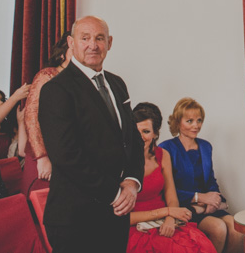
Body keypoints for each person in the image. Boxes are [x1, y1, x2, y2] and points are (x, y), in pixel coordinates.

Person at [39, 16, 144, 253]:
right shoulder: (56, 89)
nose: (92, 45)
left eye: (99, 38)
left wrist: (132, 182)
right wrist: (115, 193)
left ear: (110, 43)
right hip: (75, 218)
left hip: (115, 214)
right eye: (84, 38)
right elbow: (65, 155)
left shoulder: (117, 84)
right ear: (71, 43)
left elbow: (132, 139)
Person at [127, 102, 217, 253]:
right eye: (136, 132)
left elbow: (172, 197)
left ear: (155, 133)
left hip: (165, 219)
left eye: (146, 131)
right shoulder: (121, 160)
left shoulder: (163, 155)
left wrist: (170, 219)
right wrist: (168, 213)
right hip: (137, 226)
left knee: (203, 246)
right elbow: (120, 217)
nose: (140, 137)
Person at [158, 99, 242, 253]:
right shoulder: (166, 148)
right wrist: (200, 198)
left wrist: (215, 200)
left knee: (236, 227)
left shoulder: (205, 146)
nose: (196, 125)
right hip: (185, 208)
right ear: (178, 122)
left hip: (206, 206)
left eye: (199, 120)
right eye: (189, 121)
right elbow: (165, 190)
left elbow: (210, 180)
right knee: (218, 228)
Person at [20, 31, 72, 194]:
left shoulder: (82, 80)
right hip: (45, 156)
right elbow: (32, 116)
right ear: (63, 53)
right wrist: (42, 157)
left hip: (69, 157)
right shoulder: (47, 75)